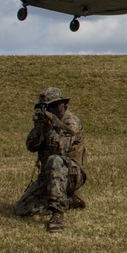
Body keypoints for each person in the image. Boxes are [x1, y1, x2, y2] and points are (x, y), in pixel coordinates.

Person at [13, 86, 88, 232]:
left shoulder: (70, 122)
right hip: (49, 175)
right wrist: (39, 129)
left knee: (55, 159)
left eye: (53, 105)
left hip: (72, 174)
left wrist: (49, 129)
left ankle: (57, 214)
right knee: (21, 209)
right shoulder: (46, 121)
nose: (50, 109)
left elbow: (61, 149)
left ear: (62, 104)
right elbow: (30, 146)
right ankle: (67, 200)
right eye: (46, 106)